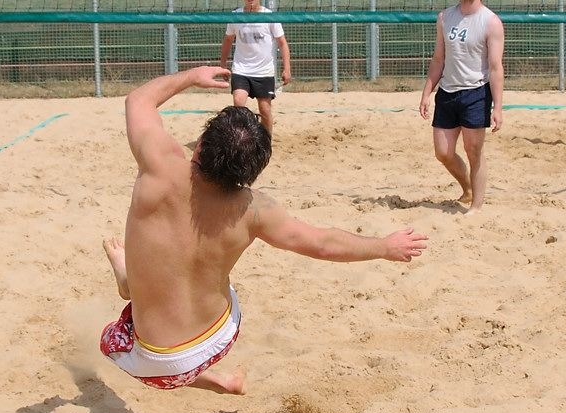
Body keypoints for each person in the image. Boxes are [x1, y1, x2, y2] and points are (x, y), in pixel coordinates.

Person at [100, 65, 428, 395]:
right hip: (214, 341)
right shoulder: (253, 209)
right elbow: (323, 243)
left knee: (118, 332)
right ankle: (221, 378)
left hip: (151, 364)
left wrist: (191, 77)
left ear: (200, 145)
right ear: (251, 172)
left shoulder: (160, 163)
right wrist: (384, 247)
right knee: (196, 278)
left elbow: (138, 100)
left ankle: (129, 280)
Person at [418, 0, 505, 214]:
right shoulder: (445, 17)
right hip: (447, 91)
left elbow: (496, 68)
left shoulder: (490, 22)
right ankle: (467, 187)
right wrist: (427, 92)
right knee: (443, 152)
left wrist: (498, 107)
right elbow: (438, 59)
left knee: (473, 151)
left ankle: (476, 206)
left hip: (476, 92)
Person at [220, 0, 292, 134]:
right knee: (238, 103)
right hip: (241, 69)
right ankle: (242, 139)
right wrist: (222, 66)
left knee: (265, 110)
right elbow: (227, 40)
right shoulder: (236, 16)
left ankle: (267, 140)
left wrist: (287, 69)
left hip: (264, 71)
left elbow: (282, 43)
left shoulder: (269, 16)